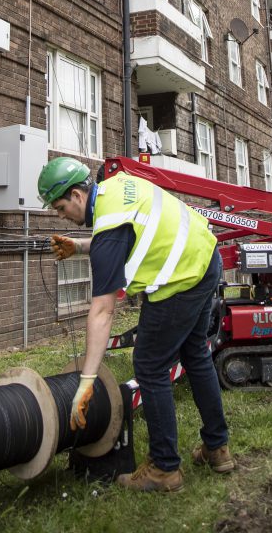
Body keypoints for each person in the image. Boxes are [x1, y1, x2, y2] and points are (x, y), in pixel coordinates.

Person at [38, 156, 234, 493]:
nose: (61, 217)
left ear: (77, 195)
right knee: (195, 355)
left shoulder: (109, 224)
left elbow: (101, 312)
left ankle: (164, 468)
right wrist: (80, 246)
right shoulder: (116, 188)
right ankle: (217, 449)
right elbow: (122, 233)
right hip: (206, 259)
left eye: (59, 208)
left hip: (180, 280)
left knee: (149, 365)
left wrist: (86, 381)